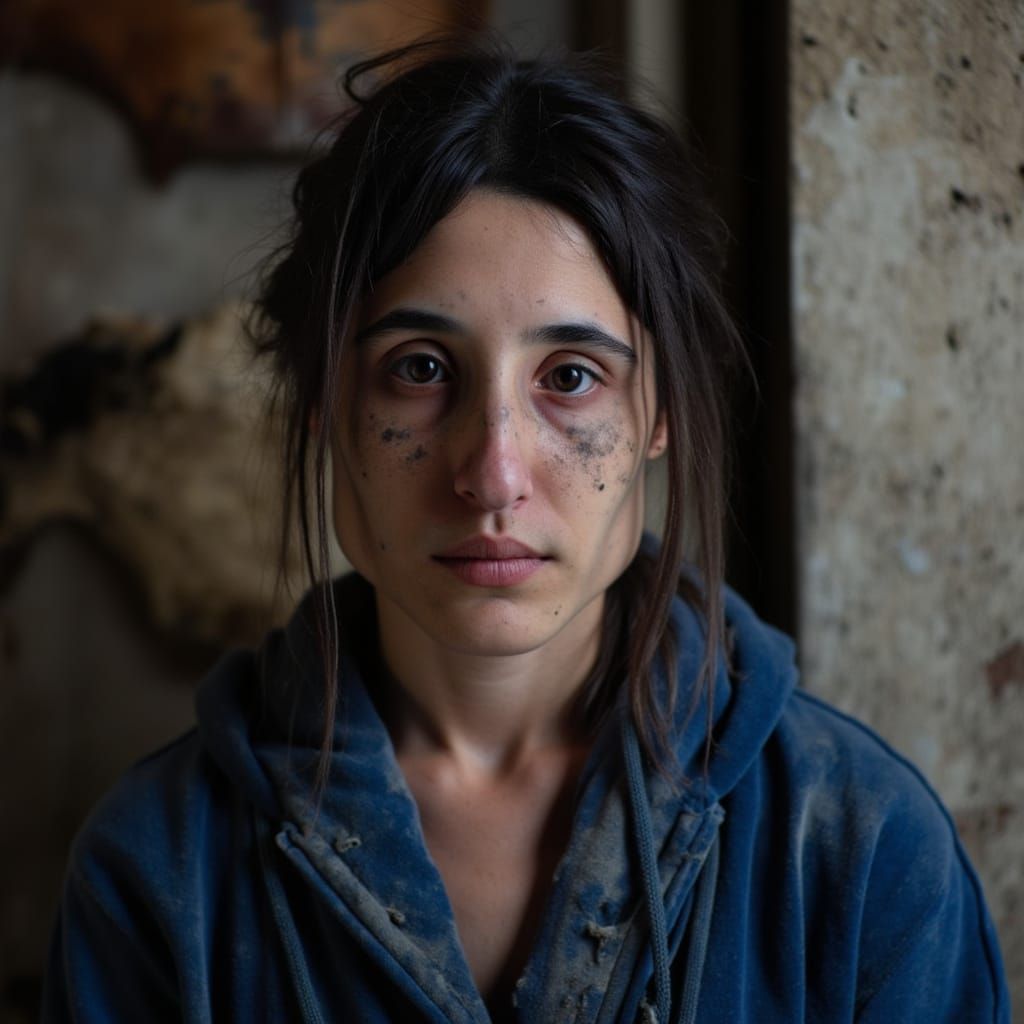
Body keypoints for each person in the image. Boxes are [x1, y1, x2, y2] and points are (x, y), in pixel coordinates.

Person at [42, 37, 1009, 1024]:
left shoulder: (858, 852)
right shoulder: (159, 872)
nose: (492, 476)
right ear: (322, 402)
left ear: (661, 409)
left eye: (571, 377)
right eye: (419, 369)